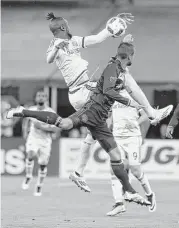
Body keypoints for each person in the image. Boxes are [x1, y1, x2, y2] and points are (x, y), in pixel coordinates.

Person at [7, 41, 154, 206]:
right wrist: (129, 102)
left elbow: (115, 73)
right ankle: (23, 111)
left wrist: (125, 43)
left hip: (100, 120)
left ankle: (129, 192)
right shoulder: (113, 68)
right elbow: (108, 91)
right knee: (64, 124)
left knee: (116, 157)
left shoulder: (119, 69)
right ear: (130, 56)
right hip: (91, 111)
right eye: (132, 55)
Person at [46, 11, 134, 192]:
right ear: (63, 27)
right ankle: (147, 114)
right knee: (117, 90)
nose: (69, 26)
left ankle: (78, 172)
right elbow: (48, 59)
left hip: (86, 88)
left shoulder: (74, 41)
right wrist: (56, 47)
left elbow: (97, 38)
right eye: (67, 24)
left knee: (93, 132)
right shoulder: (55, 43)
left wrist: (114, 26)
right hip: (80, 92)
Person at [106, 89, 156, 216]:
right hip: (117, 137)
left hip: (132, 137)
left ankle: (149, 194)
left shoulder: (134, 96)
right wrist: (107, 129)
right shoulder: (112, 97)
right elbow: (111, 117)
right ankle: (119, 203)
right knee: (115, 168)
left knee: (135, 170)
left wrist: (135, 123)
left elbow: (145, 114)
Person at [21, 89, 58, 196]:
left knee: (42, 164)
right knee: (30, 154)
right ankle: (28, 176)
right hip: (33, 138)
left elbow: (55, 129)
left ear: (46, 98)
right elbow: (26, 120)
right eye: (39, 95)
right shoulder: (31, 110)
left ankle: (39, 186)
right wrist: (25, 132)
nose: (40, 97)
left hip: (45, 141)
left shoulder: (51, 112)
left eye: (43, 96)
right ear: (36, 98)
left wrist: (41, 127)